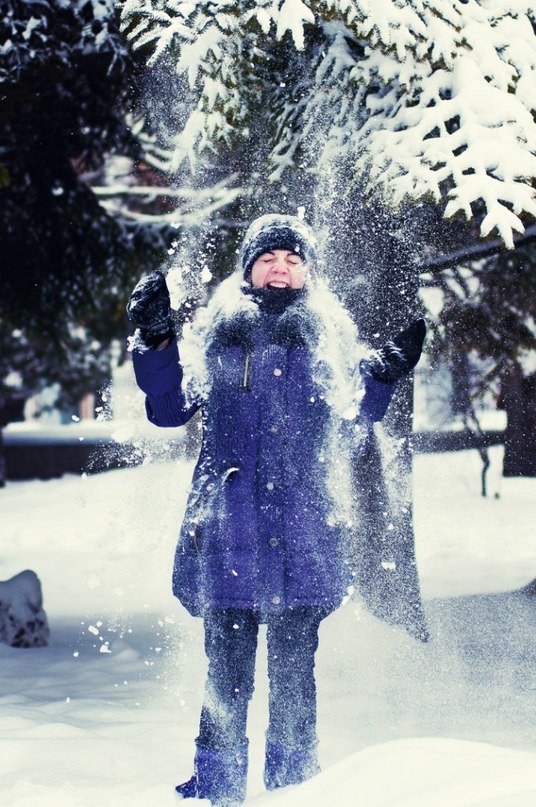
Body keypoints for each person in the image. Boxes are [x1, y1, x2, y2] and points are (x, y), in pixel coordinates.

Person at [127, 214, 426, 806]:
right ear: (248, 270)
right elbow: (167, 408)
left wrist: (385, 377)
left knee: (293, 686)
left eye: (293, 259)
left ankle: (295, 794)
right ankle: (217, 792)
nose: (281, 267)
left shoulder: (330, 341)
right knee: (225, 682)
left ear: (308, 274)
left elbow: (355, 418)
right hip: (225, 537)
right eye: (269, 258)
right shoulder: (218, 336)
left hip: (304, 542)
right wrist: (158, 342)